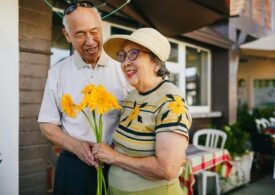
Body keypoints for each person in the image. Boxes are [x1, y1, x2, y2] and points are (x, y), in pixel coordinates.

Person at [38, 1, 129, 195]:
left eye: (94, 31)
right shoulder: (57, 72)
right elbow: (47, 124)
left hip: (119, 166)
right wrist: (77, 146)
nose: (90, 41)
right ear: (67, 35)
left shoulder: (124, 67)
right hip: (73, 168)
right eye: (80, 34)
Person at [92, 28, 192, 195]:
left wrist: (114, 157)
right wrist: (103, 150)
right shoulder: (132, 96)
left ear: (156, 62)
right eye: (123, 56)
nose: (125, 63)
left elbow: (167, 169)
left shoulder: (170, 101)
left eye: (134, 54)